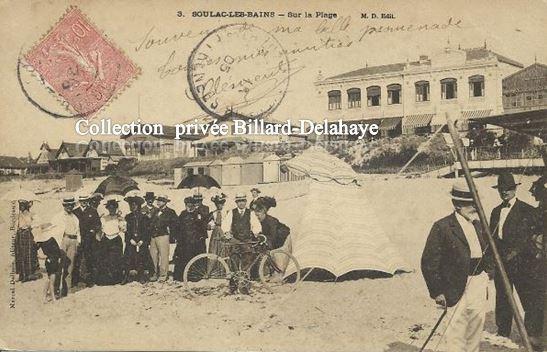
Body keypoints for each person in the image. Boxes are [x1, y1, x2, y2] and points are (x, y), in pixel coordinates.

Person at [421, 180, 492, 352]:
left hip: (479, 282)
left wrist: (489, 273)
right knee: (455, 331)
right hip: (454, 285)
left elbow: (490, 250)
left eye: (474, 202)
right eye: (469, 204)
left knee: (476, 327)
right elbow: (429, 262)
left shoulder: (479, 224)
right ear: (457, 204)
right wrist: (437, 291)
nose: (474, 207)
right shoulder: (442, 226)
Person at [489, 172, 543, 346]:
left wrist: (517, 253)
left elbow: (531, 238)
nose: (505, 192)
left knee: (528, 297)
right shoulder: (496, 211)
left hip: (523, 263)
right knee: (503, 297)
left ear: (514, 189)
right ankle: (503, 331)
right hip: (501, 262)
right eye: (501, 189)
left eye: (508, 189)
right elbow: (492, 237)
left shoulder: (527, 210)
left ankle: (531, 334)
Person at [222, 193, 261, 271]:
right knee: (234, 257)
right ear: (236, 202)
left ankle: (245, 277)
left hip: (246, 239)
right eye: (239, 201)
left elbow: (256, 224)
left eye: (243, 201)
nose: (241, 203)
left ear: (246, 202)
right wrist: (227, 232)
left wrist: (256, 233)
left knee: (248, 257)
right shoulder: (232, 212)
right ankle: (235, 277)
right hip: (235, 239)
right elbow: (225, 223)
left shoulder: (250, 213)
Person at [174, 196, 207, 281]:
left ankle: (194, 276)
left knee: (195, 258)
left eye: (191, 205)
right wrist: (178, 237)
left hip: (195, 241)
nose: (189, 206)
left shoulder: (198, 214)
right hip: (184, 241)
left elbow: (203, 228)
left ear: (194, 205)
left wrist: (200, 221)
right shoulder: (183, 214)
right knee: (183, 258)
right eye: (187, 205)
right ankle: (181, 277)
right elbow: (178, 226)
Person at [72, 194, 101, 287]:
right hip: (79, 238)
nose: (83, 202)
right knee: (77, 259)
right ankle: (75, 279)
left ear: (88, 200)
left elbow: (98, 224)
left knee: (90, 259)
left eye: (85, 200)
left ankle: (90, 280)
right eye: (82, 200)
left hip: (90, 239)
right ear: (79, 201)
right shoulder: (75, 211)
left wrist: (94, 229)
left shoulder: (92, 211)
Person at [51, 197, 80, 289]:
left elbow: (78, 231)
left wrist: (78, 241)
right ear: (64, 205)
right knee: (60, 265)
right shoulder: (58, 216)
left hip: (73, 241)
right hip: (63, 240)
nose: (69, 207)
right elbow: (53, 230)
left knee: (70, 265)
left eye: (71, 205)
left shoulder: (75, 217)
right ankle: (56, 287)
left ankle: (67, 287)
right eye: (67, 205)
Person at [123, 194, 152, 284]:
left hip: (141, 241)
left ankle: (141, 276)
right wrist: (129, 239)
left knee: (141, 258)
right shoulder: (128, 217)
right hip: (131, 241)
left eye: (134, 205)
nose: (132, 207)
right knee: (128, 258)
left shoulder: (144, 217)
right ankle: (126, 277)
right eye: (131, 205)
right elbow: (126, 230)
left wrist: (142, 240)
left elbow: (146, 231)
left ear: (138, 206)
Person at [96, 199, 125, 285]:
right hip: (106, 239)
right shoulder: (104, 218)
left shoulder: (120, 218)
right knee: (105, 259)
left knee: (115, 259)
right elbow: (100, 229)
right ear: (107, 209)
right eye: (110, 208)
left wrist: (120, 220)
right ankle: (106, 279)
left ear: (116, 208)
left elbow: (123, 229)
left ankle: (116, 278)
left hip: (115, 238)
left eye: (113, 208)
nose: (111, 209)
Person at [149, 194, 177, 282]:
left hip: (163, 236)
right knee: (153, 256)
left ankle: (163, 275)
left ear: (165, 202)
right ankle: (154, 273)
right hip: (154, 236)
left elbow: (175, 224)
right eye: (158, 200)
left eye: (160, 200)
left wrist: (172, 235)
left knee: (164, 256)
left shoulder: (170, 212)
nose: (158, 202)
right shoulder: (155, 211)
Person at [14, 199, 40, 282]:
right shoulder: (18, 215)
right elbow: (15, 226)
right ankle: (21, 274)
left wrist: (30, 226)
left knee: (27, 254)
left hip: (27, 235)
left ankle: (28, 274)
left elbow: (37, 222)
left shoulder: (30, 214)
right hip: (19, 235)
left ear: (26, 206)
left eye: (23, 205)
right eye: (20, 205)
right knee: (19, 254)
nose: (21, 207)